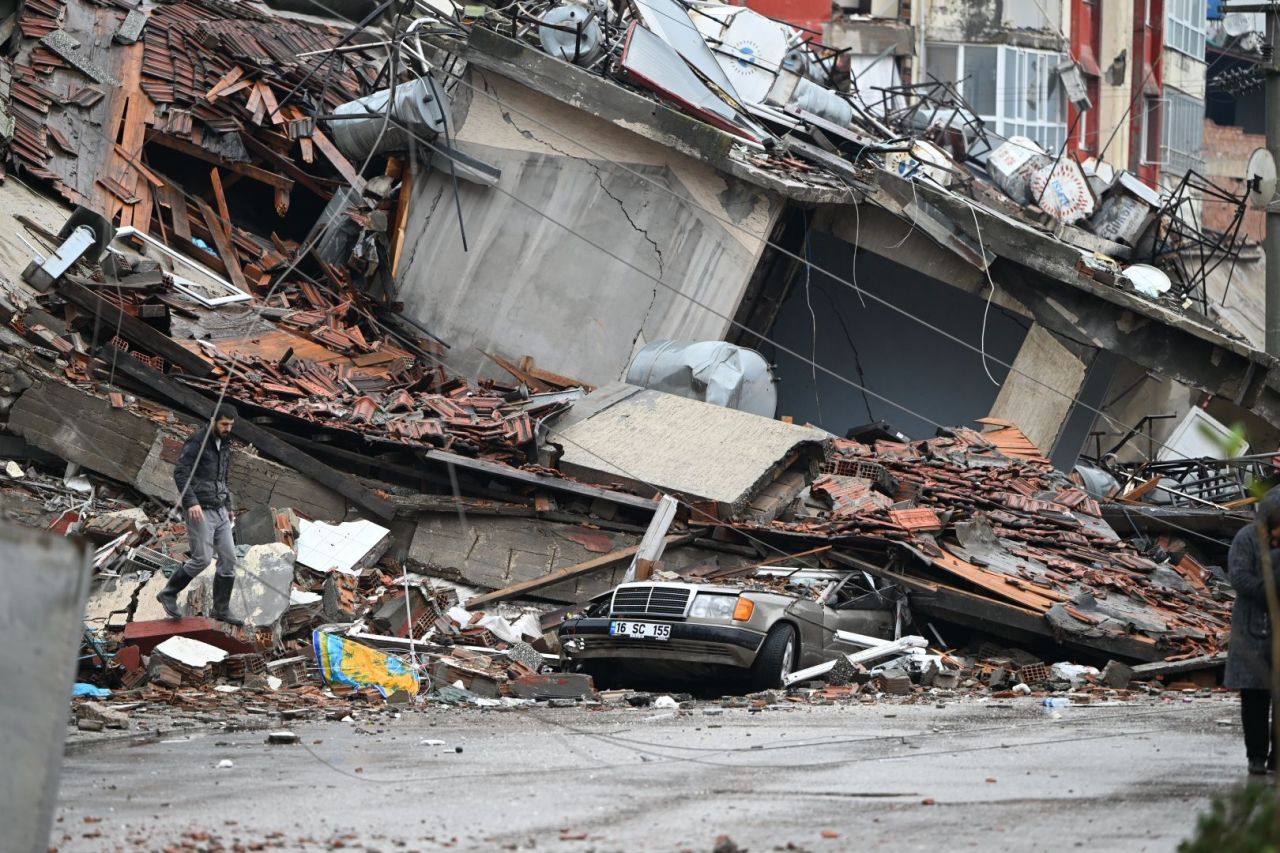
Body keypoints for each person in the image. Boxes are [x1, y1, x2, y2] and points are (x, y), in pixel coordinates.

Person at [156, 405, 243, 626]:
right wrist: (190, 501)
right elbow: (181, 472)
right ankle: (169, 593)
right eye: (224, 424)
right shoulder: (197, 441)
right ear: (213, 420)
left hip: (220, 508)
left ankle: (221, 610)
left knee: (229, 559)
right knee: (202, 559)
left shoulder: (225, 444)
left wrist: (229, 504)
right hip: (200, 509)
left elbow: (222, 477)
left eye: (231, 425)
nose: (227, 429)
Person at [1225, 488, 1280, 775]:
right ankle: (1256, 756)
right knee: (1255, 699)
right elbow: (1239, 575)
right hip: (1252, 627)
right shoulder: (1247, 539)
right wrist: (1266, 589)